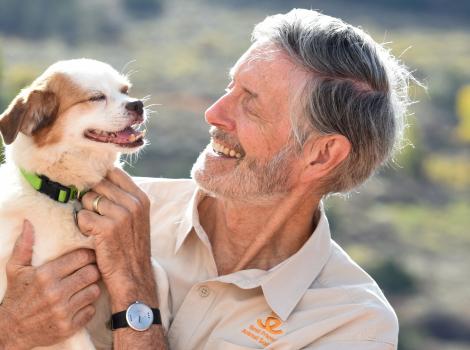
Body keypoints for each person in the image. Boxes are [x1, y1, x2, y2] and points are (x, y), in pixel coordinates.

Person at [0, 9, 414, 350]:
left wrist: (134, 288)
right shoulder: (84, 207)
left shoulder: (352, 325)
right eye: (229, 87)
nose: (214, 113)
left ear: (322, 154)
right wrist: (10, 330)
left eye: (250, 103)